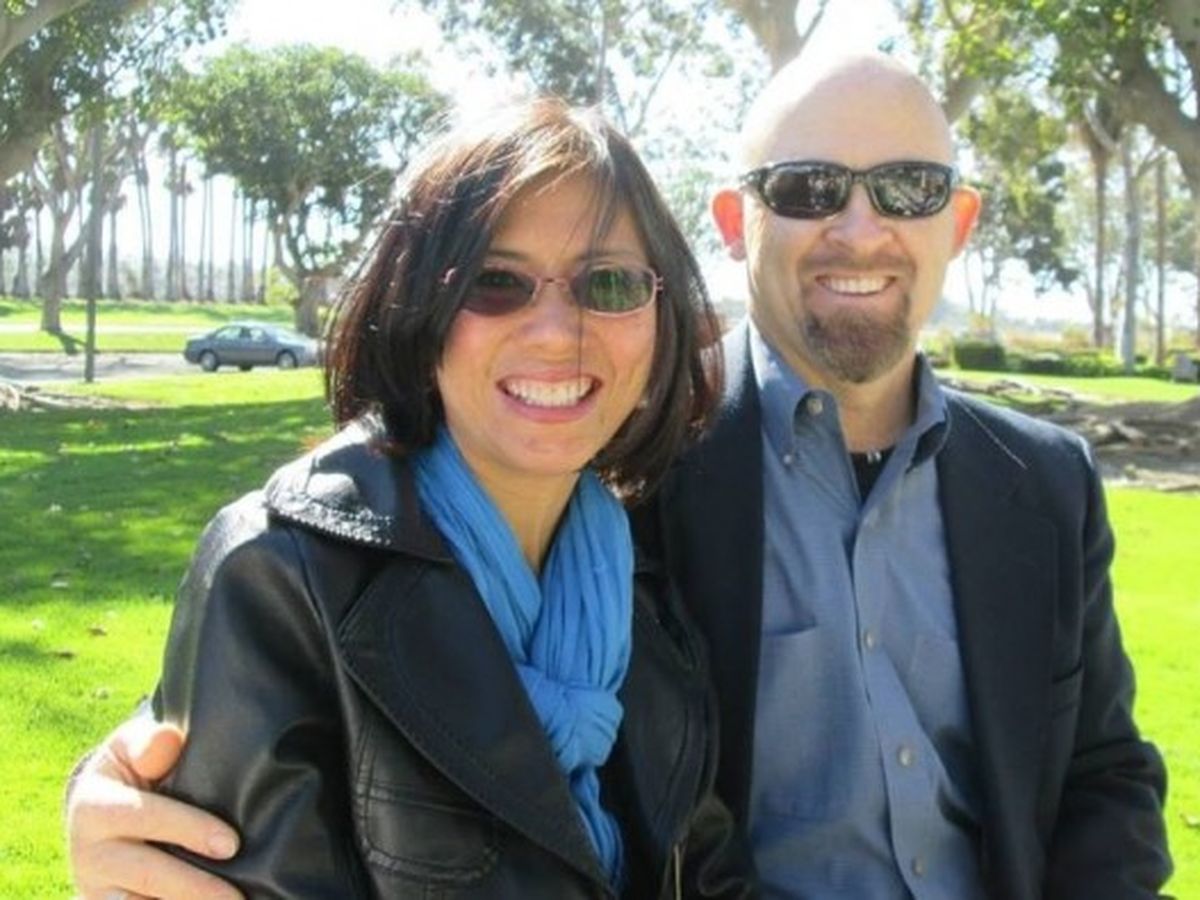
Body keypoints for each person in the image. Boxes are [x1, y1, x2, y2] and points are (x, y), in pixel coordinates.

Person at [66, 53, 1172, 899]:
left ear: (959, 222)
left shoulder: (1045, 483)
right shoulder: (638, 468)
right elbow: (344, 641)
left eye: (909, 187)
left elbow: (1105, 775)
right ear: (736, 223)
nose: (860, 226)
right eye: (807, 186)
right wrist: (126, 792)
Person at [66, 98, 755, 899]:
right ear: (419, 306)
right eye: (496, 282)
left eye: (608, 283)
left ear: (660, 316)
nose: (557, 331)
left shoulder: (641, 577)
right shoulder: (283, 576)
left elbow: (707, 873)